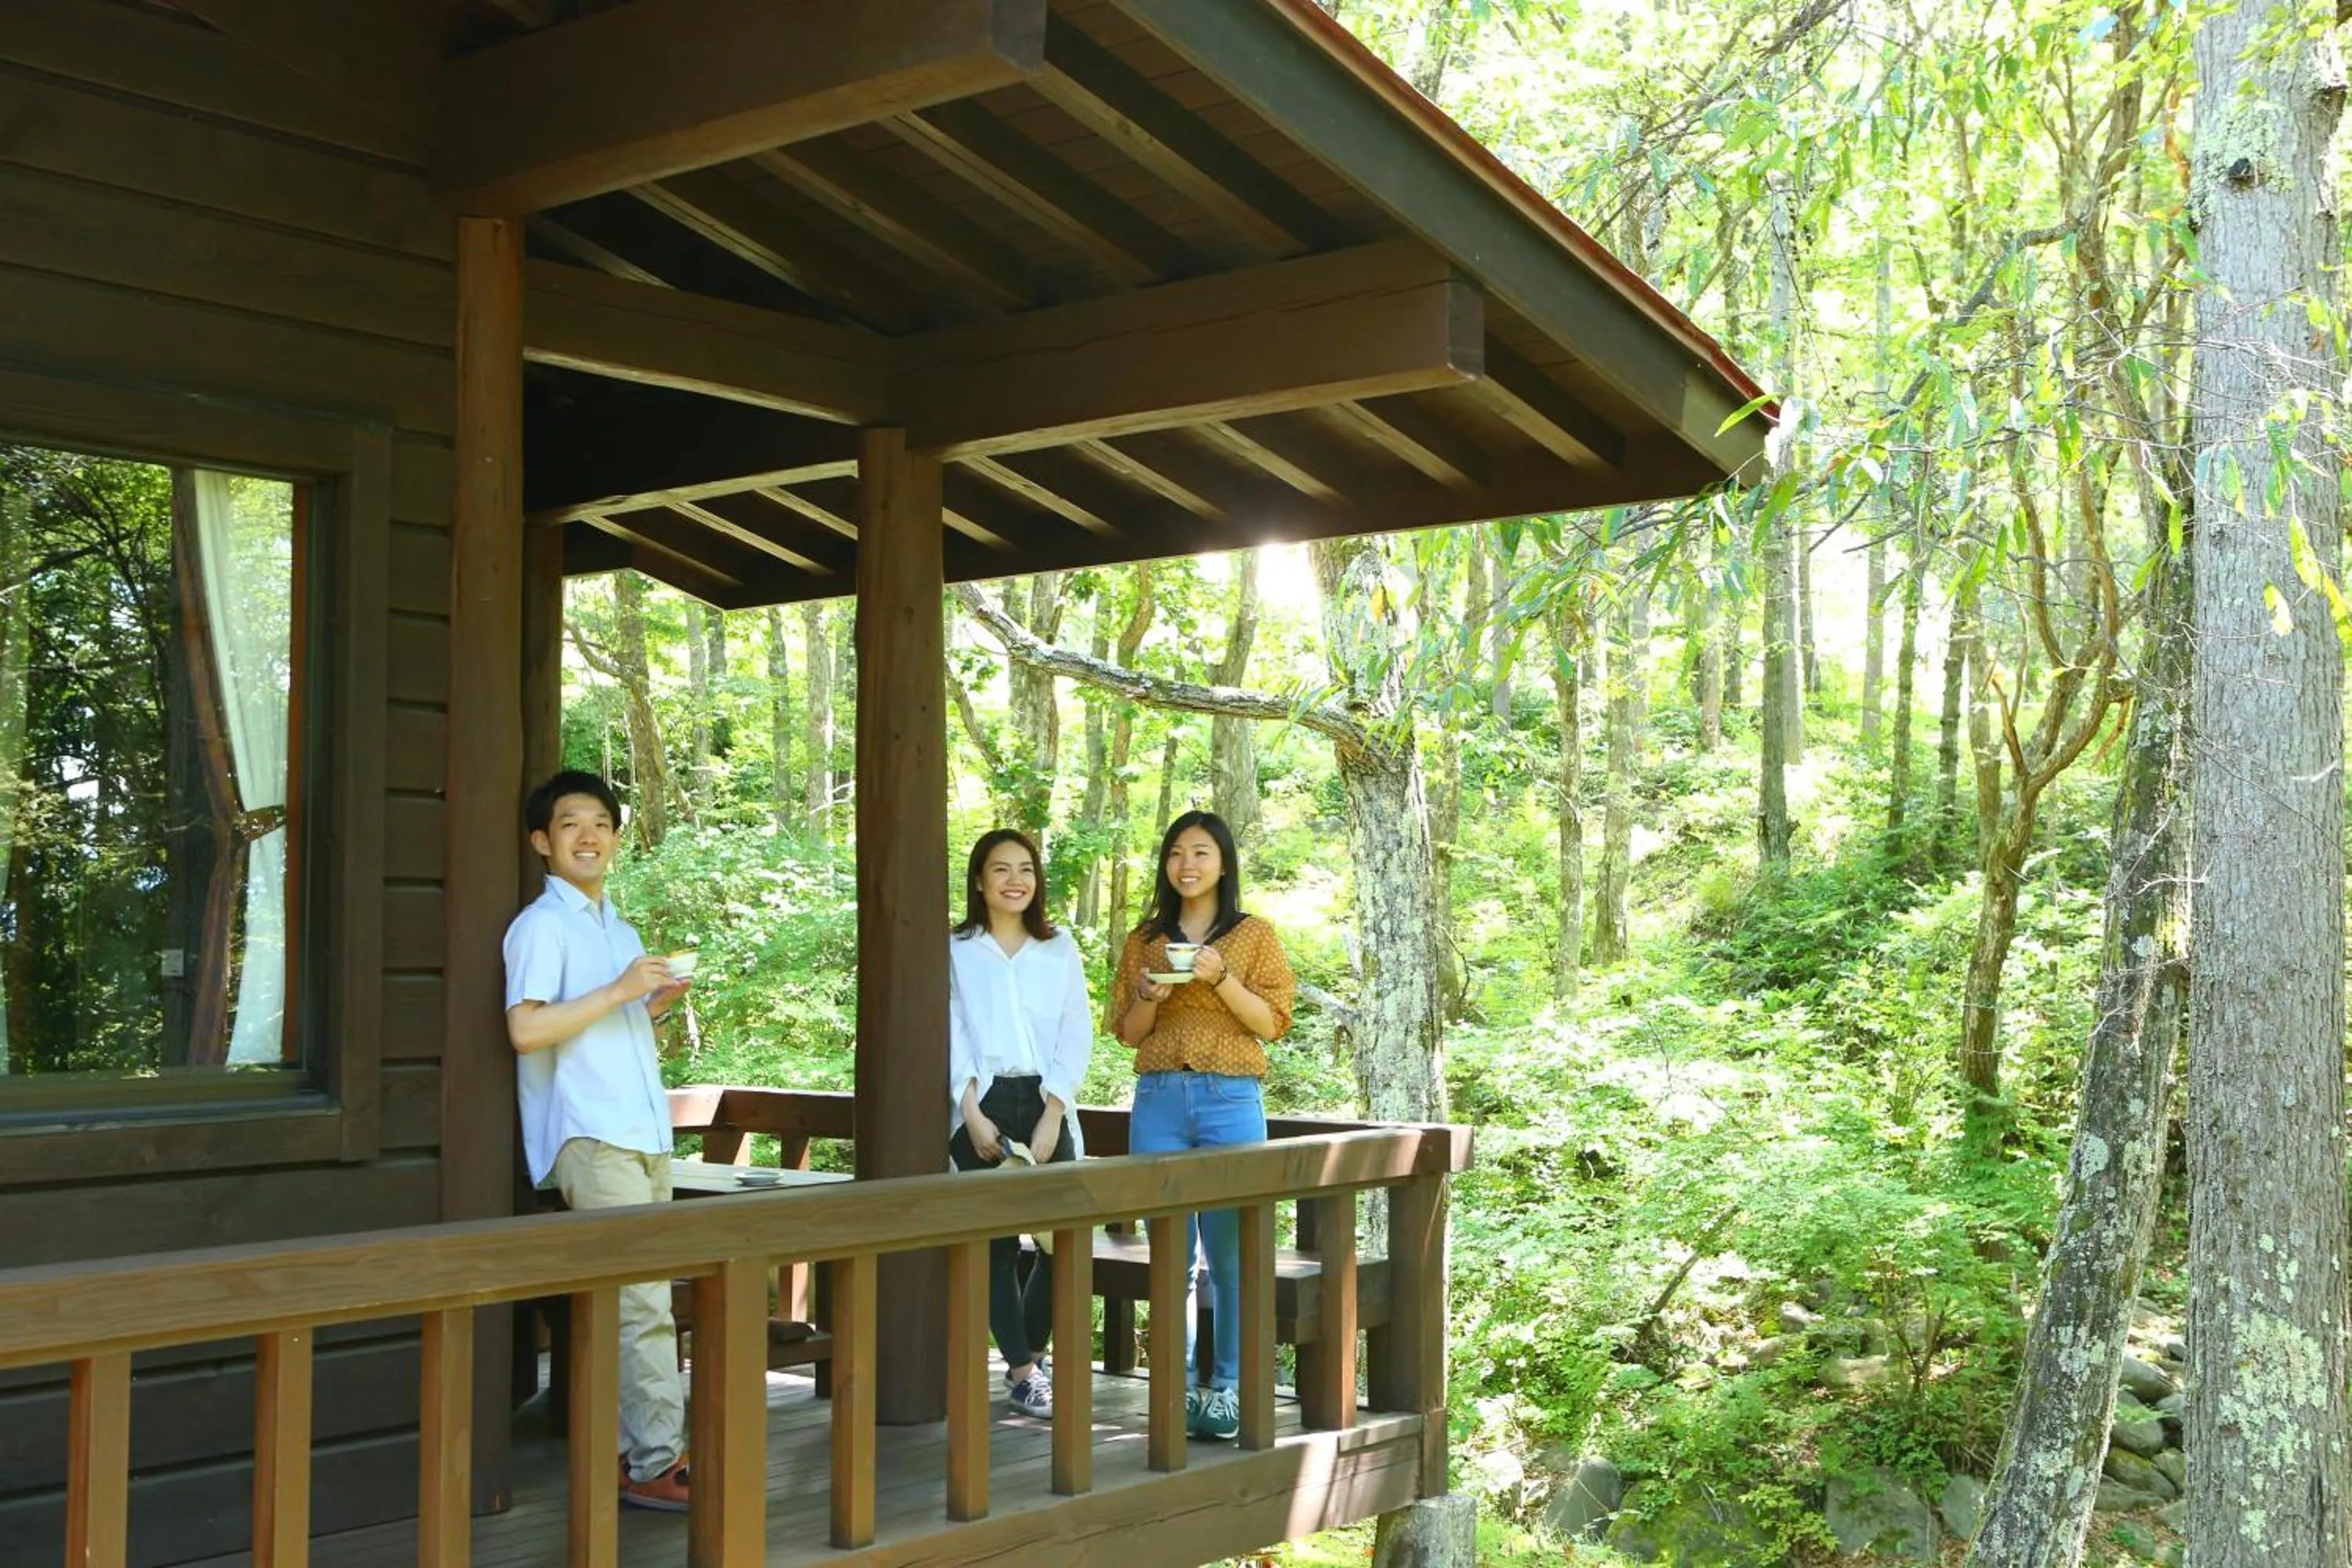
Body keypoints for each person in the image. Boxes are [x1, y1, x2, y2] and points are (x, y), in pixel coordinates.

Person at [503, 770, 693, 1512]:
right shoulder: (539, 926)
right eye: (571, 824)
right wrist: (618, 992)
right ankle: (654, 1464)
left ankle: (635, 1454)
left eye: (602, 824)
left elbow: (602, 1026)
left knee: (639, 1299)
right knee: (642, 1301)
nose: (590, 836)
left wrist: (649, 1005)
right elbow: (525, 1031)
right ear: (542, 842)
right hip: (590, 1132)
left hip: (642, 1130)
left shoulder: (618, 927)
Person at [1110, 810, 1295, 1441]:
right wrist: (1147, 997)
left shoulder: (1254, 935)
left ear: (1222, 863)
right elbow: (1128, 1034)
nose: (1187, 865)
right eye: (1176, 854)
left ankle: (1231, 1388)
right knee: (1169, 1254)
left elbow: (1270, 1024)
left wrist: (1221, 978)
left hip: (1230, 1099)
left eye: (1201, 853)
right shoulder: (1145, 940)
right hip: (1158, 1096)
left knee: (1233, 1250)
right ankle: (1176, 1386)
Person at [948, 828, 1093, 1419]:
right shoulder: (954, 949)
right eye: (1001, 869)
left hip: (1046, 1098)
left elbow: (1075, 1028)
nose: (1015, 880)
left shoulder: (1058, 947)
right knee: (998, 1245)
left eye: (1026, 869)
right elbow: (948, 1028)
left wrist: (1054, 1110)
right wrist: (970, 1111)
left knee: (1064, 1242)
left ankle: (1031, 1353)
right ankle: (1023, 1371)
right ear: (979, 880)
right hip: (979, 1102)